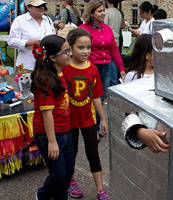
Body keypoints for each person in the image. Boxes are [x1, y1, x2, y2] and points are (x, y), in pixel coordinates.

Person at [63, 28, 109, 200]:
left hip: (88, 120)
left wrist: (103, 118)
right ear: (70, 48)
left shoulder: (93, 69)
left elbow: (96, 96)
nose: (85, 51)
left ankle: (100, 190)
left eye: (88, 47)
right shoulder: (65, 68)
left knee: (93, 154)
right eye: (81, 47)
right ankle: (71, 182)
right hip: (68, 121)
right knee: (71, 153)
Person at [31, 34, 74, 200]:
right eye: (66, 51)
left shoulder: (62, 72)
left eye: (69, 49)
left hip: (65, 130)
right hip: (48, 134)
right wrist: (52, 141)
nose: (70, 54)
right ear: (52, 58)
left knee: (68, 171)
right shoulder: (45, 80)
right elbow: (46, 113)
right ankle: (42, 195)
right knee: (58, 173)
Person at [79, 0, 125, 135]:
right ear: (92, 13)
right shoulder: (83, 29)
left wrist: (121, 68)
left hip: (106, 68)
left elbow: (114, 50)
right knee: (86, 98)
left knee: (100, 98)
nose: (104, 13)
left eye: (104, 10)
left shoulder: (108, 29)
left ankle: (96, 127)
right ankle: (87, 126)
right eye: (100, 11)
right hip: (89, 68)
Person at [7, 0, 55, 72]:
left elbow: (53, 37)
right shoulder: (19, 20)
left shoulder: (48, 20)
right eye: (38, 6)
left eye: (43, 5)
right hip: (27, 66)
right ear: (28, 7)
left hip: (46, 66)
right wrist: (28, 43)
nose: (42, 8)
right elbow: (11, 41)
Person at [104, 0, 122, 87]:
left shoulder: (107, 12)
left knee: (110, 64)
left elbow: (104, 26)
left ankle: (110, 85)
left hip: (109, 40)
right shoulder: (118, 12)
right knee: (114, 62)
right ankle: (114, 83)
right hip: (117, 39)